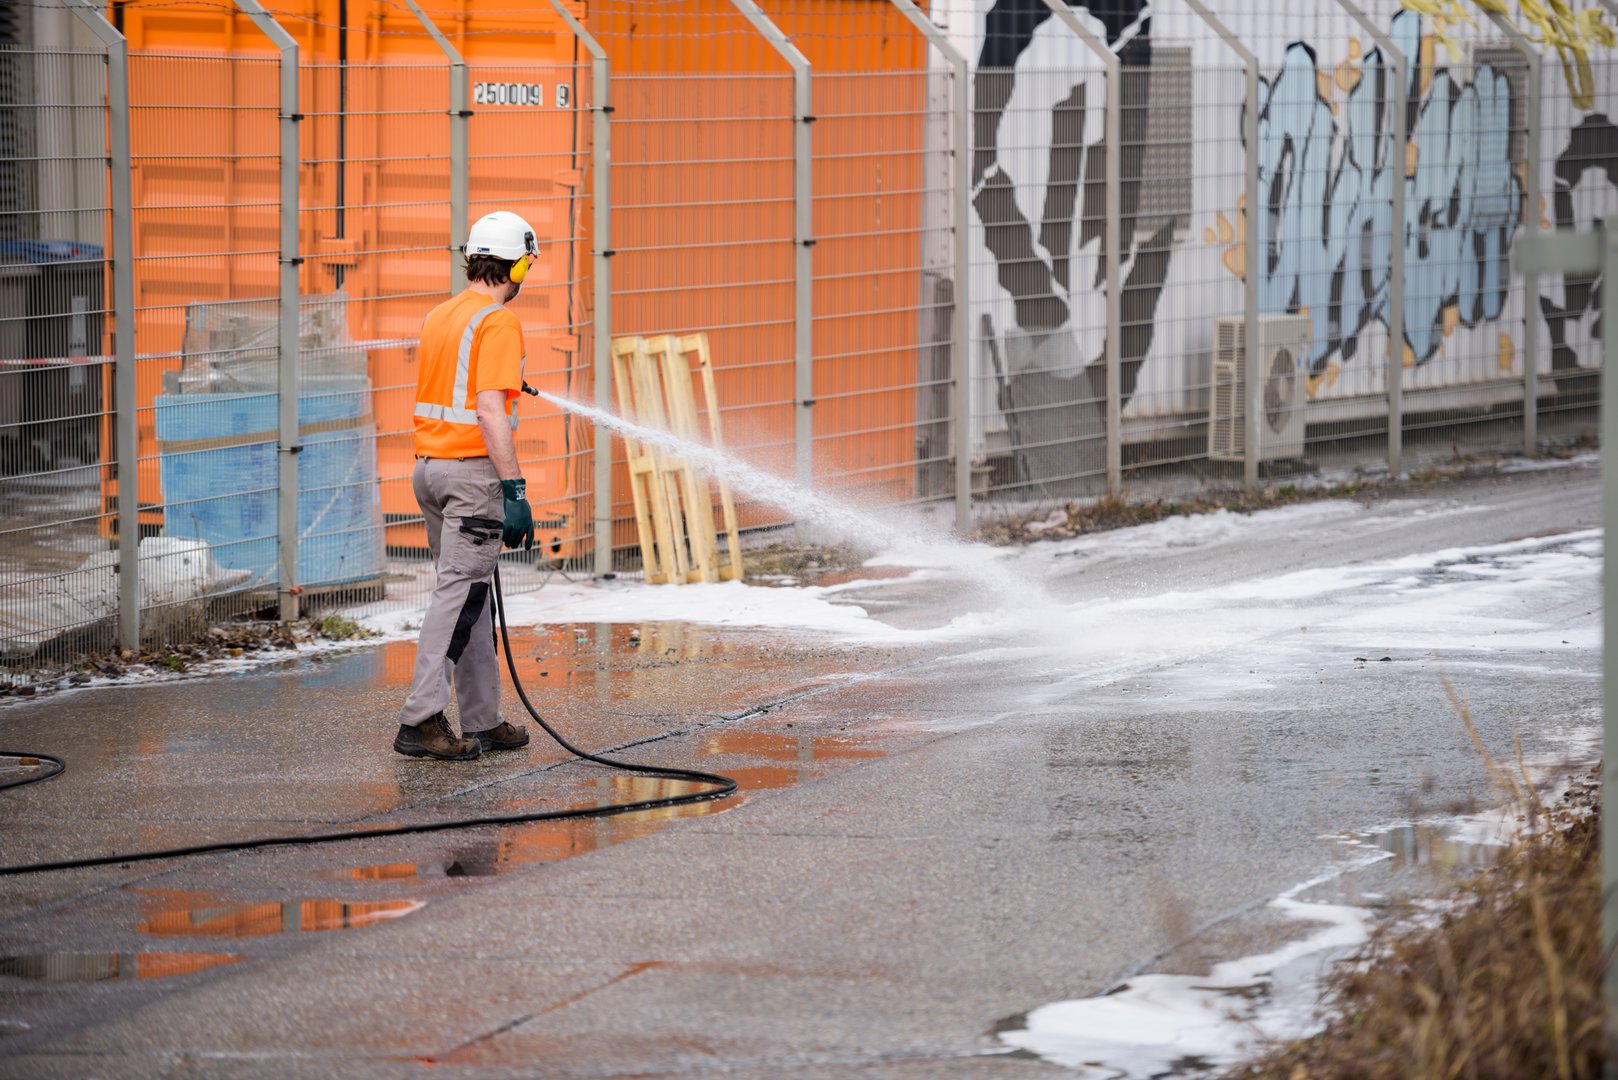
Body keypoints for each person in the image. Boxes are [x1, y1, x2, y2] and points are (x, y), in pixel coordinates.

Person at [393, 210, 539, 760]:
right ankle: (421, 720)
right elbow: (488, 410)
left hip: (429, 471)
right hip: (473, 477)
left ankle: (482, 719)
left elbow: (460, 387)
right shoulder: (499, 321)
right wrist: (515, 489)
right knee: (458, 597)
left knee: (470, 592)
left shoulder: (444, 313)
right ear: (518, 264)